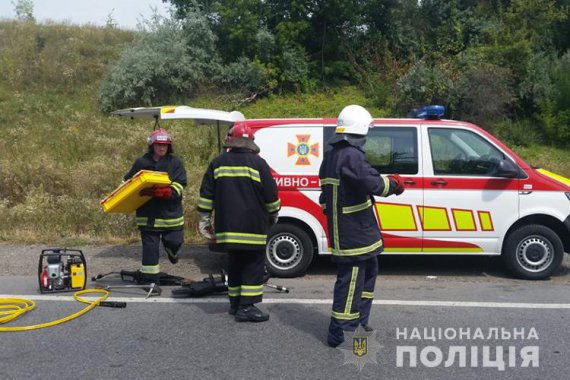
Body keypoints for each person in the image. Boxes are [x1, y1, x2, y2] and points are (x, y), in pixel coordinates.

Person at [318, 105, 405, 347]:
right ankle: (337, 331)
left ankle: (359, 319)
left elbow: (327, 195)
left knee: (368, 274)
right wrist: (395, 184)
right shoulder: (351, 156)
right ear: (359, 130)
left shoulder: (331, 156)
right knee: (351, 281)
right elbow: (374, 184)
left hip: (357, 232)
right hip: (354, 235)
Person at [197, 122, 280, 322]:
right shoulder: (259, 164)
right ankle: (247, 307)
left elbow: (206, 194)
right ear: (250, 142)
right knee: (253, 265)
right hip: (253, 227)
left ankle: (235, 304)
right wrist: (273, 214)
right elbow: (271, 195)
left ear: (231, 141)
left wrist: (204, 219)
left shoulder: (217, 163)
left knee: (235, 263)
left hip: (227, 228)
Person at [123, 128, 187, 283]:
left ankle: (172, 250)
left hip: (170, 215)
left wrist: (166, 192)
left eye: (165, 145)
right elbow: (127, 182)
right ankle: (150, 279)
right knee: (150, 249)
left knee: (175, 241)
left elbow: (181, 184)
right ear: (152, 145)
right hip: (148, 215)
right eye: (159, 145)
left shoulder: (175, 163)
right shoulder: (141, 162)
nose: (162, 148)